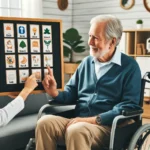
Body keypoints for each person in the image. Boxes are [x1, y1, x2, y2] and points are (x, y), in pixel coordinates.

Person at [36, 15, 141, 150]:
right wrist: (55, 93)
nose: (90, 42)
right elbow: (71, 93)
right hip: (79, 122)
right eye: (90, 36)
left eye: (95, 38)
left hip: (109, 128)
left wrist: (92, 120)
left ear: (112, 42)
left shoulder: (129, 67)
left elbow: (128, 106)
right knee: (44, 123)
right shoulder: (86, 63)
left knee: (77, 130)